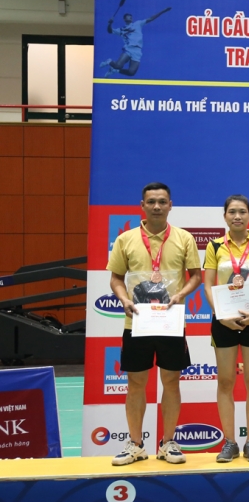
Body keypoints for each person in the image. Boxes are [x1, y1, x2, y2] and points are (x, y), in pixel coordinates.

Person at [107, 182, 201, 466]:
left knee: (171, 381)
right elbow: (116, 278)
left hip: (171, 322)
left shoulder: (184, 238)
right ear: (142, 205)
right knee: (136, 383)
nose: (157, 206)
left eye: (162, 201)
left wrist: (181, 294)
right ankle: (136, 444)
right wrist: (124, 299)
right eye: (151, 202)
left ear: (170, 205)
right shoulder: (125, 239)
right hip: (136, 322)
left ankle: (168, 442)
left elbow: (196, 275)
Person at [203, 195, 249, 463]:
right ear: (224, 216)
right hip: (224, 321)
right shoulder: (215, 245)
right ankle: (230, 442)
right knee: (225, 382)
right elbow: (208, 284)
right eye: (232, 211)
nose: (237, 216)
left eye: (242, 212)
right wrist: (221, 315)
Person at [100, 8, 171, 77]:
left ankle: (115, 70)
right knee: (118, 65)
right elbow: (110, 31)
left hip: (137, 51)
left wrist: (163, 11)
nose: (130, 17)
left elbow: (150, 18)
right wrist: (110, 24)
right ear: (124, 19)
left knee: (131, 72)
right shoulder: (121, 30)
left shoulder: (138, 24)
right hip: (128, 49)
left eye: (131, 17)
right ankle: (108, 61)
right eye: (128, 16)